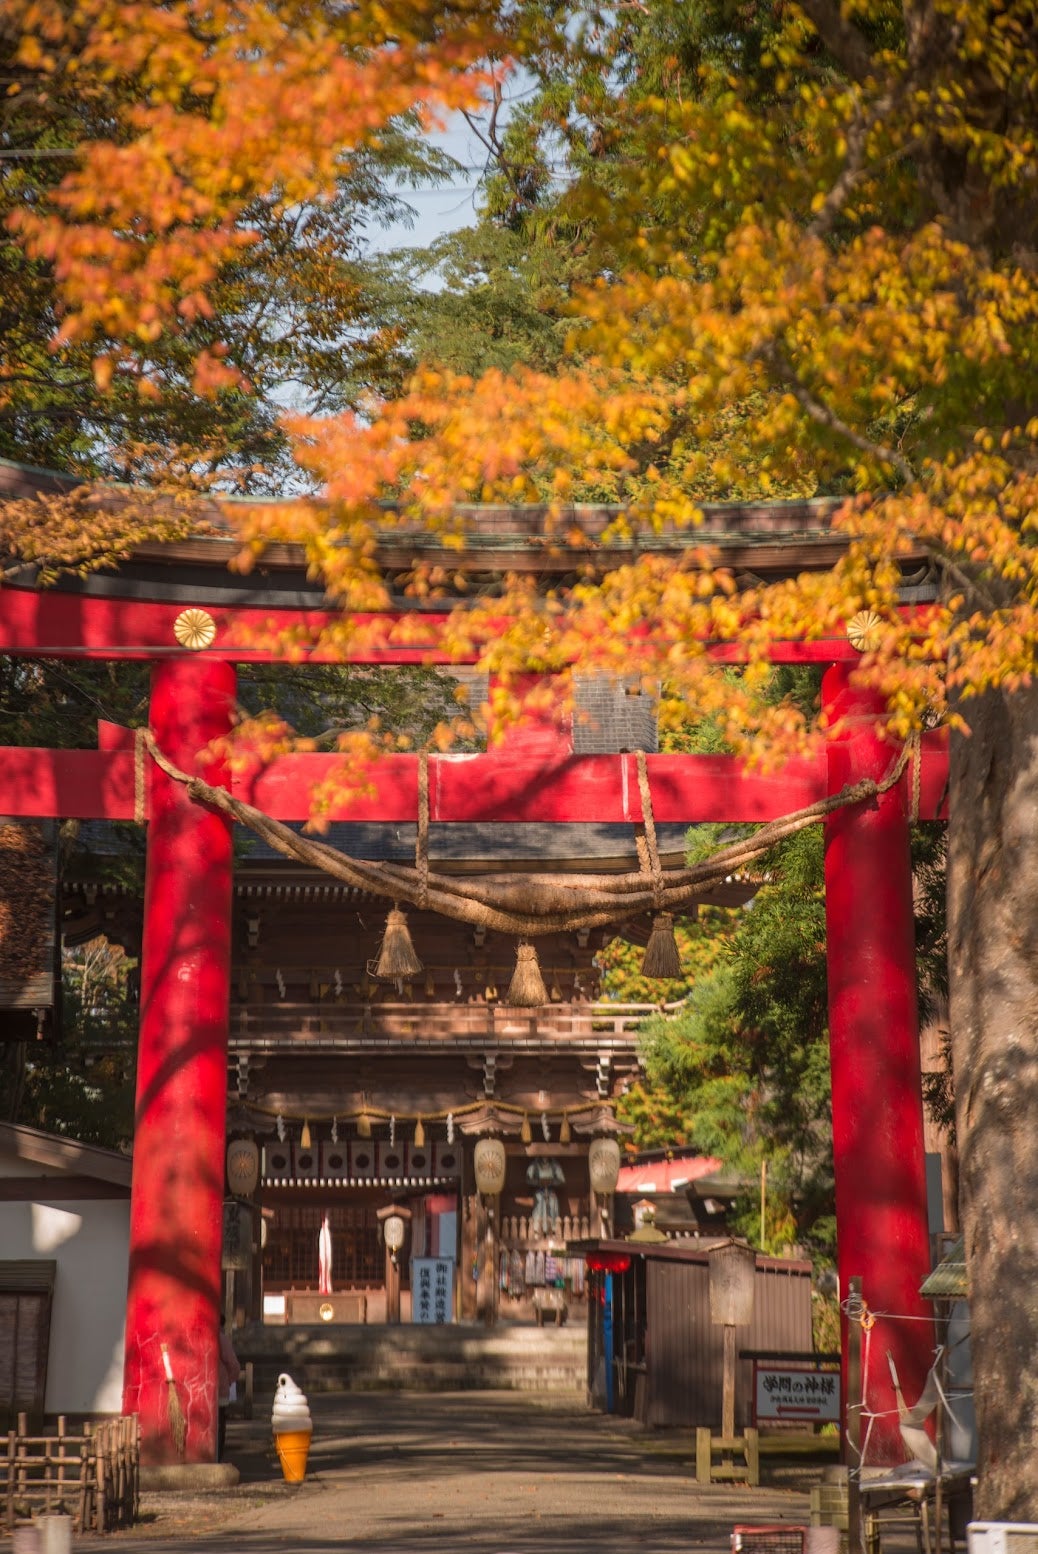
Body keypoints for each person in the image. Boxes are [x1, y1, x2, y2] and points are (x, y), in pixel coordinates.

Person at [217, 1317, 241, 1461]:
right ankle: (218, 1456)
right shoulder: (221, 1339)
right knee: (220, 1425)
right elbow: (234, 1365)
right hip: (219, 1388)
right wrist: (229, 1380)